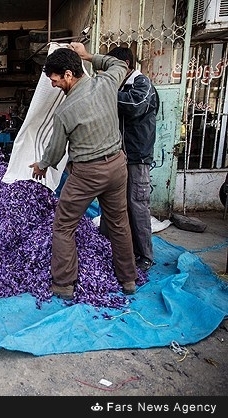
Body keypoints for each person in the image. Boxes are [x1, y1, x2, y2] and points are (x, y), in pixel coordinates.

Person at [29, 42, 138, 300]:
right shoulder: (106, 83)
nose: (53, 84)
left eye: (55, 79)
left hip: (87, 174)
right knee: (119, 224)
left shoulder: (65, 111)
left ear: (68, 74)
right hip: (117, 167)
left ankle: (64, 285)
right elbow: (119, 63)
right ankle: (128, 279)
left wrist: (42, 166)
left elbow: (55, 151)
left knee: (64, 225)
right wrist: (88, 55)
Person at [99, 46, 159, 272]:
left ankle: (144, 256)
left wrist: (103, 91)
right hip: (116, 156)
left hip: (136, 157)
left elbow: (134, 106)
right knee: (111, 203)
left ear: (126, 65)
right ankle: (105, 247)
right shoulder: (121, 86)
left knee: (137, 205)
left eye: (113, 67)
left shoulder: (142, 84)